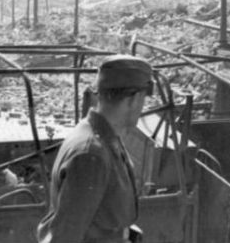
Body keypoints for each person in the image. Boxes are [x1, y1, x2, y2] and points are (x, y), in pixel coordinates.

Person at [37, 54, 153, 243]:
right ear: (134, 99)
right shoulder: (92, 154)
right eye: (143, 100)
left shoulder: (103, 137)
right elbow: (64, 237)